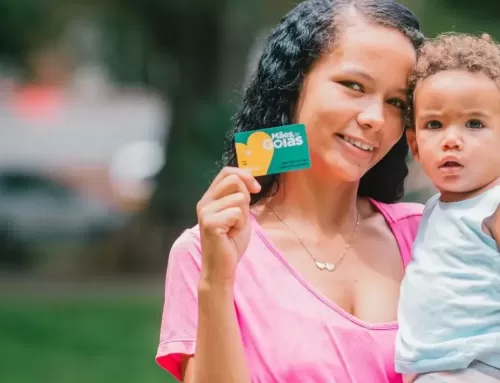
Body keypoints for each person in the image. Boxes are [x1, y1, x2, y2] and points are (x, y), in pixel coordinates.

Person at [156, 0, 424, 382]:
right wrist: (218, 282)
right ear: (293, 84)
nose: (375, 118)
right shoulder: (205, 252)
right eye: (354, 86)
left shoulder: (428, 235)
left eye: (396, 102)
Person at [395, 33, 500, 383]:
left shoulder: (494, 206)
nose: (451, 139)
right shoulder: (433, 210)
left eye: (474, 124)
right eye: (434, 124)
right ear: (415, 144)